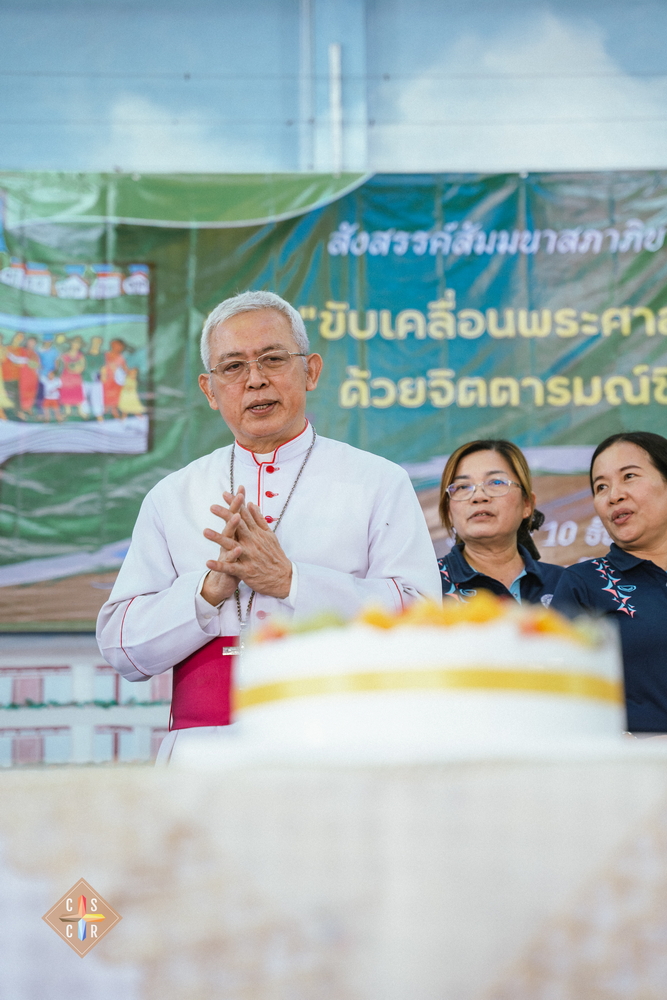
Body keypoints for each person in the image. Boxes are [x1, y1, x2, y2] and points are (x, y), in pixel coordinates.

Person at [97, 290, 441, 760]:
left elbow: (423, 622)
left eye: (273, 359)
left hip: (339, 752)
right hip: (203, 760)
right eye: (233, 367)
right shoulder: (172, 496)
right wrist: (206, 592)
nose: (255, 380)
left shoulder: (378, 482)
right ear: (209, 390)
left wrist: (292, 582)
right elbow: (122, 649)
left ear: (311, 371)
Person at [552, 431, 667, 734]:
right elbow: (564, 699)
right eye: (601, 486)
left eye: (629, 476)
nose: (614, 495)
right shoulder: (583, 583)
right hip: (639, 759)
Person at [437, 439, 563, 605]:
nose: (478, 496)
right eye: (462, 487)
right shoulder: (427, 584)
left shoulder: (565, 583)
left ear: (527, 504)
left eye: (496, 482)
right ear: (449, 512)